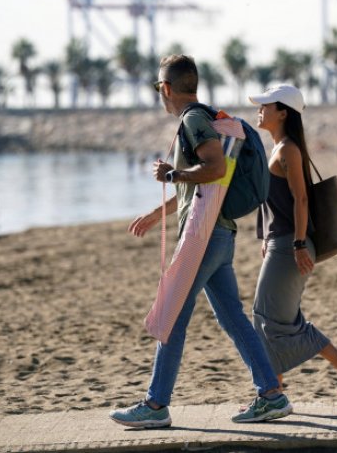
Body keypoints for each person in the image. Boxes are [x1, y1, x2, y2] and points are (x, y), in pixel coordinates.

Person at [109, 55, 292, 428]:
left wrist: (172, 172)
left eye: (158, 88)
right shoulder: (205, 116)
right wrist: (155, 215)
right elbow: (204, 183)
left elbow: (215, 167)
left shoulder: (192, 120)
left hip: (205, 236)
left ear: (166, 88)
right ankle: (272, 394)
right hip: (219, 234)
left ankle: (156, 405)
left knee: (172, 313)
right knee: (232, 318)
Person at [247, 84, 337, 408]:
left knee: (267, 320)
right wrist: (270, 239)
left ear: (283, 113)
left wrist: (299, 243)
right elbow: (277, 202)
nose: (259, 109)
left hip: (291, 244)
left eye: (266, 105)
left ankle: (271, 394)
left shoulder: (288, 149)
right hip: (282, 242)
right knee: (274, 321)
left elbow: (301, 199)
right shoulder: (277, 148)